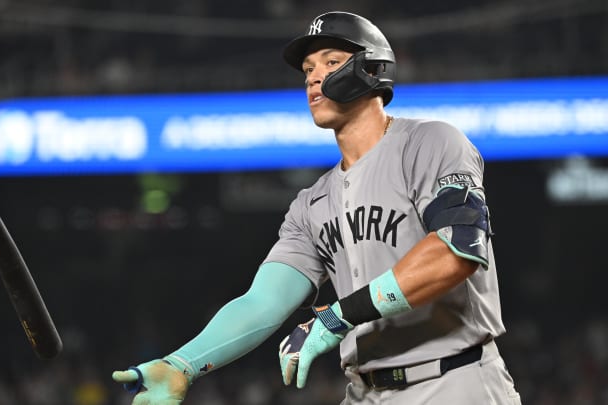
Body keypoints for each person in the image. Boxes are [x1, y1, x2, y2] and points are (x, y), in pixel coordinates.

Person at [112, 11, 522, 404]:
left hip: (454, 380)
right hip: (364, 391)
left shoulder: (430, 142)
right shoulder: (312, 203)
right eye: (308, 69)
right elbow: (263, 302)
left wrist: (337, 315)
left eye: (331, 61)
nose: (314, 78)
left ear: (373, 69)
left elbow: (456, 252)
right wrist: (183, 364)